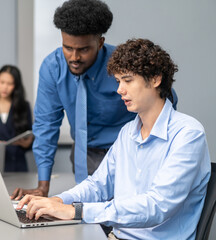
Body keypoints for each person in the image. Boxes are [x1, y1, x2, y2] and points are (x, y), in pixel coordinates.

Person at [16, 38, 211, 240]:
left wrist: (76, 211)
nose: (119, 90)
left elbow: (157, 206)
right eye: (118, 81)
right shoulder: (128, 132)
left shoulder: (188, 134)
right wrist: (58, 200)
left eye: (127, 80)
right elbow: (98, 186)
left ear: (155, 79)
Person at [11, 0, 178, 199]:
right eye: (67, 47)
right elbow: (46, 126)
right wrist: (43, 186)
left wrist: (151, 150)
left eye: (83, 49)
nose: (74, 57)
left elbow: (164, 100)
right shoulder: (52, 68)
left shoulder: (122, 65)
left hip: (126, 154)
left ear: (99, 43)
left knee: (130, 215)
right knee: (87, 218)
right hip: (84, 156)